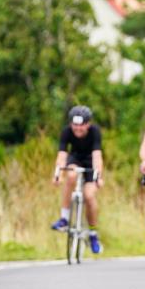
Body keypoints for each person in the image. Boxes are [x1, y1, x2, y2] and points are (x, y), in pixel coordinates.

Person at [51, 105, 104, 254]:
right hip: (75, 159)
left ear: (88, 124)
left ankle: (93, 233)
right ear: (70, 124)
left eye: (81, 125)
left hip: (90, 162)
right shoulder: (66, 132)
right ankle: (64, 218)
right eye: (75, 125)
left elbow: (97, 156)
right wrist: (58, 175)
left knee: (89, 195)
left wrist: (98, 176)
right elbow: (62, 155)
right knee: (71, 175)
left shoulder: (95, 132)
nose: (78, 129)